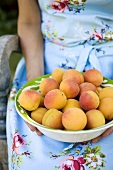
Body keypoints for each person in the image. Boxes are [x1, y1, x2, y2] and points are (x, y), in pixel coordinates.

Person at [6, 0, 113, 169]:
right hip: (46, 67)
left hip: (108, 69)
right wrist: (36, 84)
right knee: (36, 160)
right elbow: (29, 21)